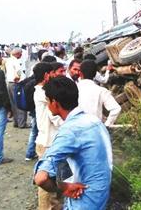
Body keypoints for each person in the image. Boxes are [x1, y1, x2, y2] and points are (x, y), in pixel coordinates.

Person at [34, 76, 112, 210]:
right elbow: (66, 160)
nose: (47, 104)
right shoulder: (93, 121)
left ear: (55, 102)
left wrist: (63, 189)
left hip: (83, 198)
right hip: (100, 194)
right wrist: (64, 183)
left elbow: (40, 178)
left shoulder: (70, 131)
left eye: (48, 100)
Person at [33, 62, 64, 209]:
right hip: (49, 142)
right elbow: (55, 117)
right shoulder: (44, 93)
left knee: (48, 180)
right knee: (49, 182)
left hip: (45, 140)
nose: (55, 76)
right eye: (53, 73)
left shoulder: (39, 91)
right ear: (46, 75)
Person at [78, 60, 121, 127]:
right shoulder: (101, 91)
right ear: (95, 74)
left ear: (80, 73)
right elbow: (116, 109)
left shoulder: (74, 89)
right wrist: (106, 125)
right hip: (97, 129)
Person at [5, 48, 28, 128]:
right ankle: (22, 123)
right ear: (17, 54)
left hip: (10, 83)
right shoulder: (17, 61)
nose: (21, 54)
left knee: (13, 104)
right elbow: (18, 72)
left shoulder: (8, 60)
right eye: (20, 53)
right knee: (21, 103)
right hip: (17, 83)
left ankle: (16, 122)